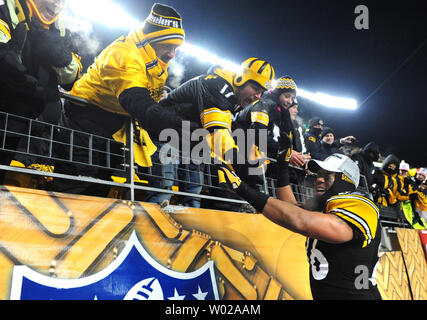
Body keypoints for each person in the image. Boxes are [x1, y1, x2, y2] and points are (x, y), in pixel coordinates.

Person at [50, 3, 186, 197]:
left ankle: (91, 225)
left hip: (115, 122)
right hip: (86, 117)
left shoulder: (154, 59)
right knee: (77, 182)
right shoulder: (124, 54)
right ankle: (61, 224)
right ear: (151, 39)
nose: (172, 54)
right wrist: (181, 125)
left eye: (175, 48)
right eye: (167, 46)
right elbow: (139, 102)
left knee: (102, 183)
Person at [216, 153, 382, 300]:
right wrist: (282, 169)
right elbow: (290, 208)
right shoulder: (325, 209)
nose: (319, 179)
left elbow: (299, 220)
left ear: (344, 180)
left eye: (328, 176)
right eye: (318, 175)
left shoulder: (361, 204)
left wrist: (241, 187)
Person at [0, 0, 82, 183]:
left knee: (30, 191)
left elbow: (75, 78)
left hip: (41, 132)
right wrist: (32, 87)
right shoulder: (5, 8)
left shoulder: (63, 28)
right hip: (6, 121)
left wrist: (60, 56)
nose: (58, 4)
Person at [233, 76, 308, 184]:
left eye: (292, 98)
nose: (289, 101)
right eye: (287, 96)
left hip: (253, 158)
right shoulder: (264, 104)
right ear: (278, 93)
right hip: (240, 153)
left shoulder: (282, 113)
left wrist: (298, 156)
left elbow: (282, 140)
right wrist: (287, 152)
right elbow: (258, 135)